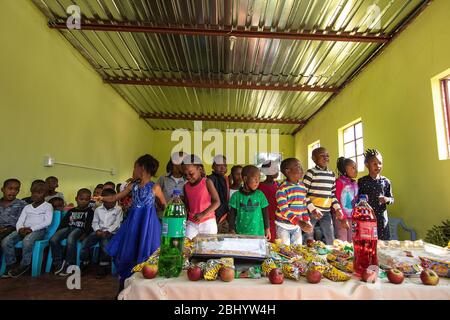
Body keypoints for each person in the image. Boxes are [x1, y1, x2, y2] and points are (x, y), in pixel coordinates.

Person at [103, 154, 166, 291]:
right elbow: (116, 197)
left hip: (148, 226)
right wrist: (102, 198)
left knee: (147, 253)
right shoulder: (133, 186)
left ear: (141, 168)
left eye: (134, 167)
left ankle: (144, 289)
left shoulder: (155, 188)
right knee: (128, 251)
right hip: (133, 224)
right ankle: (125, 286)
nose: (133, 171)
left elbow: (165, 206)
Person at [1, 182, 53, 278]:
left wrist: (32, 229)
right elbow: (20, 220)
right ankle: (11, 264)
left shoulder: (48, 206)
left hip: (38, 231)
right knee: (6, 241)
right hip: (23, 229)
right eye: (33, 192)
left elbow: (47, 222)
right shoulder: (27, 207)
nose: (36, 195)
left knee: (27, 240)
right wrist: (20, 229)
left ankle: (24, 264)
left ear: (45, 194)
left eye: (39, 193)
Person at [303, 147, 344, 245]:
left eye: (327, 156)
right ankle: (306, 256)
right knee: (308, 236)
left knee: (330, 236)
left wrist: (338, 208)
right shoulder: (311, 173)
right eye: (322, 156)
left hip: (326, 213)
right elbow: (303, 193)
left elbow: (332, 194)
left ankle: (331, 256)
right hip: (311, 212)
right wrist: (312, 209)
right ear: (314, 158)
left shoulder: (331, 174)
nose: (326, 158)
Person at [50, 188, 94, 276]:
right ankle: (58, 263)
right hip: (69, 227)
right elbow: (64, 223)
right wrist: (59, 232)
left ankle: (69, 264)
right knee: (53, 239)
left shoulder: (90, 211)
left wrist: (85, 234)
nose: (84, 201)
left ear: (90, 200)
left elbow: (89, 225)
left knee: (71, 238)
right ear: (76, 199)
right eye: (81, 199)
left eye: (86, 200)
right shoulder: (71, 210)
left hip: (80, 229)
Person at [81, 188, 123, 278]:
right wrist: (97, 230)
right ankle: (85, 263)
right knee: (85, 243)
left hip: (111, 233)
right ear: (103, 200)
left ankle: (103, 266)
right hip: (98, 231)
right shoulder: (98, 210)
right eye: (109, 201)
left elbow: (118, 223)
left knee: (105, 245)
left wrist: (108, 231)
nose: (112, 203)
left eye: (113, 201)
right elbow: (95, 222)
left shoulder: (118, 209)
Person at [358, 149, 394, 240]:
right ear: (367, 165)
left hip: (382, 222)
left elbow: (392, 199)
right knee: (368, 244)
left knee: (383, 246)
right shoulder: (362, 182)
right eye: (374, 163)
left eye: (380, 163)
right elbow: (357, 200)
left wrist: (387, 199)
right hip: (367, 220)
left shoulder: (386, 181)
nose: (378, 166)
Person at [276, 158, 313, 245]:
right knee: (284, 250)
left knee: (297, 250)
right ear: (288, 171)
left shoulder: (302, 187)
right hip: (283, 225)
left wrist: (306, 220)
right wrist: (300, 222)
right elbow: (284, 210)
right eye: (298, 167)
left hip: (296, 226)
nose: (302, 170)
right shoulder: (282, 189)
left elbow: (303, 205)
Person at [182, 154, 220, 240]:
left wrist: (203, 214)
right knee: (187, 244)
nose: (188, 177)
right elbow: (187, 207)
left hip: (208, 221)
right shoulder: (185, 187)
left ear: (199, 169)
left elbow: (217, 202)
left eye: (191, 174)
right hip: (192, 222)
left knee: (208, 247)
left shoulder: (207, 182)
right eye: (185, 175)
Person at [228, 165, 270, 238]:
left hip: (258, 233)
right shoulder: (236, 196)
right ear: (245, 179)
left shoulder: (260, 195)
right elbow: (232, 215)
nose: (257, 182)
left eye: (259, 179)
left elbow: (265, 213)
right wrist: (231, 229)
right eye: (255, 179)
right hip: (241, 233)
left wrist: (267, 229)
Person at [157, 152, 187, 218]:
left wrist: (183, 199)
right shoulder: (163, 178)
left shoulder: (188, 181)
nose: (186, 165)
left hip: (180, 219)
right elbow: (155, 196)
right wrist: (163, 207)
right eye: (183, 163)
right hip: (162, 217)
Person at [335, 157, 358, 242]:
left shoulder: (355, 183)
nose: (356, 170)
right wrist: (343, 218)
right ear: (344, 169)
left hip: (352, 217)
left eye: (356, 167)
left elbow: (355, 199)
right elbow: (336, 200)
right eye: (353, 167)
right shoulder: (339, 182)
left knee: (352, 241)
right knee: (342, 242)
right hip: (341, 218)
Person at [258, 161, 279, 243]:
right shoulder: (259, 187)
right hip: (263, 220)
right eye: (274, 168)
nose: (277, 170)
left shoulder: (278, 185)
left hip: (276, 219)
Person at [207, 155, 229, 233]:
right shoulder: (209, 179)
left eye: (224, 165)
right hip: (213, 215)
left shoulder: (226, 179)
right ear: (213, 166)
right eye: (219, 165)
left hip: (225, 215)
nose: (222, 168)